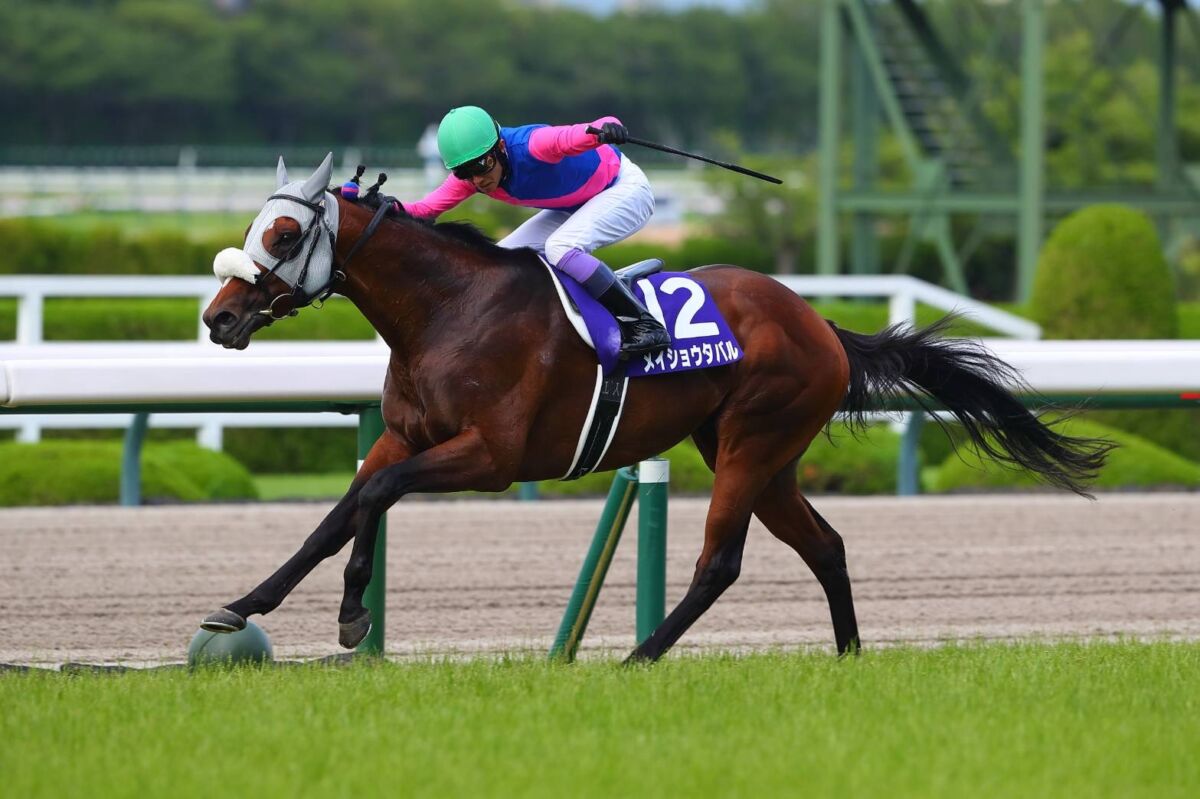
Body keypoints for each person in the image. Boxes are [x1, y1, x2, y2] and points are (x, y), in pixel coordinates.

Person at [405, 105, 670, 358]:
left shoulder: (533, 145)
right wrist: (382, 204)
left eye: (481, 165)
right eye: (464, 172)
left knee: (560, 247)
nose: (477, 179)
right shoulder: (473, 179)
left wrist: (608, 127)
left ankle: (644, 324)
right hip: (578, 205)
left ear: (500, 147)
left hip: (625, 189)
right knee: (499, 261)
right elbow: (423, 210)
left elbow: (577, 132)